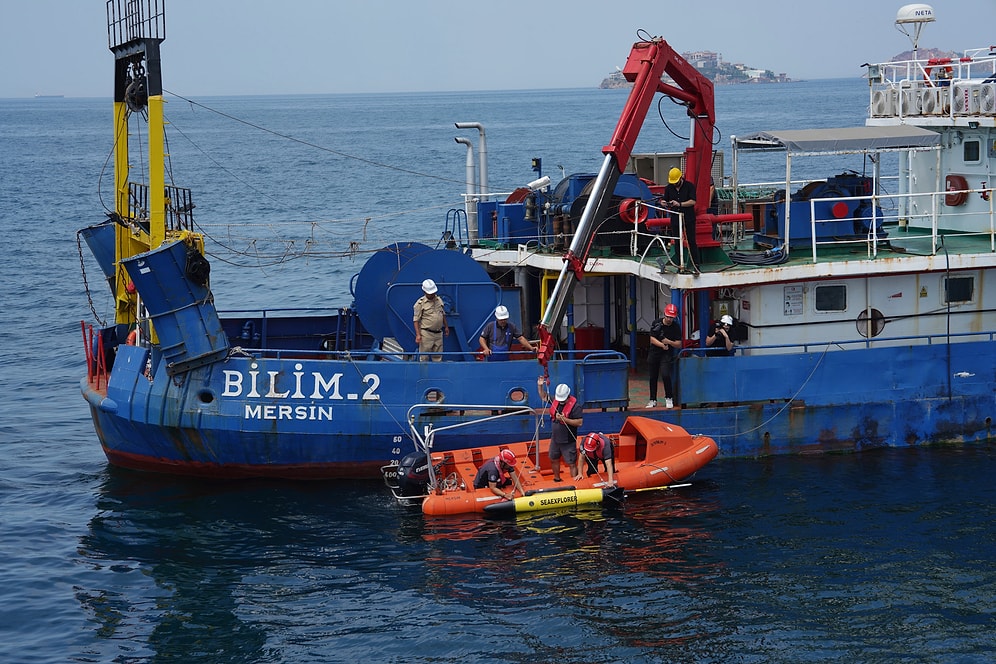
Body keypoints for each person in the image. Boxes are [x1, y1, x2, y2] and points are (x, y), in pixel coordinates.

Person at [536, 379, 581, 482]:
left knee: (571, 462)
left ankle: (575, 481)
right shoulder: (555, 400)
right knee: (553, 458)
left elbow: (579, 422)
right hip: (555, 439)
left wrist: (564, 419)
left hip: (568, 440)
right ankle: (557, 479)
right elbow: (544, 396)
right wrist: (540, 386)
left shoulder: (576, 407)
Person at [647, 303, 682, 409]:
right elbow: (652, 339)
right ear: (664, 315)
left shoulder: (675, 327)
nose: (669, 319)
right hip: (654, 352)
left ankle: (669, 397)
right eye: (667, 317)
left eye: (671, 317)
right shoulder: (656, 323)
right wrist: (662, 345)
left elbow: (678, 344)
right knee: (653, 376)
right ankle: (652, 399)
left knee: (666, 374)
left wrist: (668, 342)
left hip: (666, 354)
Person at [663, 167, 699, 267]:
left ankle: (695, 263)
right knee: (677, 241)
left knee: (691, 241)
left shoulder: (689, 186)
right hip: (675, 218)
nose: (674, 184)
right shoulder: (668, 188)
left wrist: (680, 204)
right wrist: (665, 203)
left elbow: (693, 201)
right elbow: (664, 200)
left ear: (681, 177)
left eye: (676, 182)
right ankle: (679, 264)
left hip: (688, 217)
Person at [413, 278, 448, 361]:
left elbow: (442, 314)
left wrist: (446, 326)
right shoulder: (420, 304)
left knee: (438, 357)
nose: (432, 294)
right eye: (430, 293)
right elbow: (416, 320)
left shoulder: (439, 300)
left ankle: (437, 373)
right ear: (425, 292)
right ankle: (424, 373)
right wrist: (418, 335)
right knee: (424, 357)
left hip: (438, 333)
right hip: (426, 334)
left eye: (433, 292)